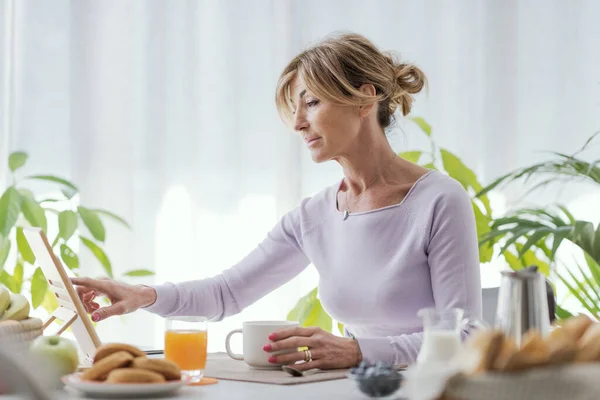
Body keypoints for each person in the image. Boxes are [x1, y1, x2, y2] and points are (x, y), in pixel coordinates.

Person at [72, 32, 482, 370]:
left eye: (312, 102)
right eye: (295, 108)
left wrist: (358, 352)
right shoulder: (313, 216)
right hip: (354, 387)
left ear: (364, 99)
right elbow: (224, 294)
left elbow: (465, 337)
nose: (299, 123)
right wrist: (142, 295)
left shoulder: (438, 200)